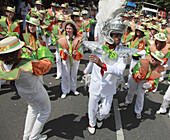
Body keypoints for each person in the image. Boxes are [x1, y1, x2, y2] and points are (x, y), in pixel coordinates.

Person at [0, 36, 54, 140]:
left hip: (23, 92)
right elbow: (47, 63)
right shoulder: (29, 65)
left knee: (32, 109)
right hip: (36, 91)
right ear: (16, 52)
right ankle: (34, 137)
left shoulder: (3, 66)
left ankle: (26, 135)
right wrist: (40, 50)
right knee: (45, 111)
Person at [84, 18, 127, 134]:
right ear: (109, 35)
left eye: (120, 35)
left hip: (109, 85)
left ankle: (99, 117)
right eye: (115, 35)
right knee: (92, 106)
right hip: (95, 82)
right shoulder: (99, 47)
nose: (118, 37)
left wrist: (102, 65)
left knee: (105, 110)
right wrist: (87, 70)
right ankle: (91, 123)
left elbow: (119, 71)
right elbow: (93, 59)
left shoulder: (123, 52)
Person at [123, 51, 165, 119]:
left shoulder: (158, 69)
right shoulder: (143, 60)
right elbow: (135, 69)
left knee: (140, 95)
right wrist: (137, 74)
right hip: (136, 78)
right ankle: (128, 100)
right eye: (153, 57)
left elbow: (155, 80)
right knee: (131, 89)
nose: (153, 59)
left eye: (156, 59)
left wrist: (150, 84)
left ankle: (138, 110)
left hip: (145, 81)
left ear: (159, 62)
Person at [57, 20, 84, 99]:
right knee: (65, 74)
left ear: (73, 29)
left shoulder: (78, 38)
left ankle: (73, 88)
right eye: (67, 28)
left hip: (75, 58)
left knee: (74, 74)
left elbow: (81, 48)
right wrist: (63, 53)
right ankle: (65, 90)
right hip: (66, 58)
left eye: (70, 29)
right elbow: (60, 48)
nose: (68, 30)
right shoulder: (62, 38)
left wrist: (77, 52)